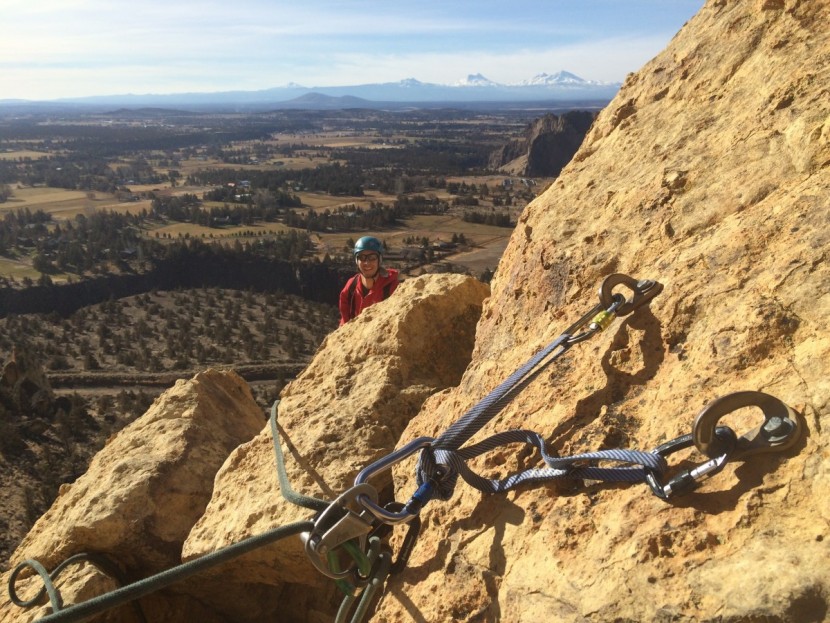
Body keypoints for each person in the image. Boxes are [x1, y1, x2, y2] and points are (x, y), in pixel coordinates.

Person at [339, 236, 399, 325]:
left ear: (379, 260)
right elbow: (344, 322)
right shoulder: (351, 286)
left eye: (372, 257)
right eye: (362, 257)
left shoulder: (392, 288)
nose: (367, 263)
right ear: (356, 261)